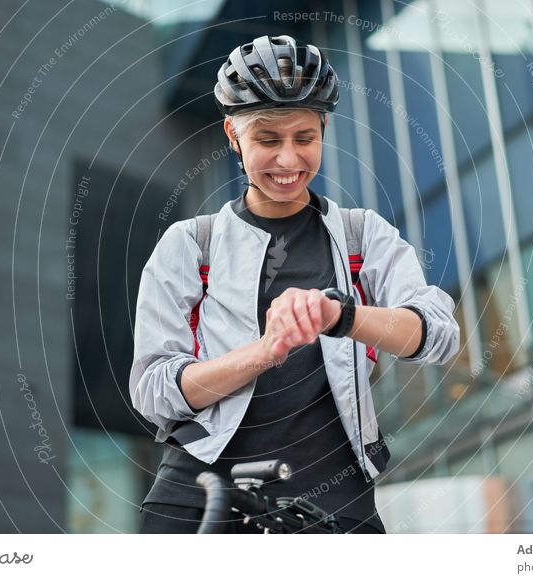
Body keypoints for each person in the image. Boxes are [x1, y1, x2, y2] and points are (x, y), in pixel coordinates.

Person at [130, 35, 459, 534]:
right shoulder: (190, 244)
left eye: (304, 138)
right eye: (267, 140)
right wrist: (264, 352)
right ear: (232, 136)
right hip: (201, 500)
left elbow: (438, 334)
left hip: (337, 502)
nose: (288, 161)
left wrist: (341, 315)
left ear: (323, 129)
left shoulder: (362, 235)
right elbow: (154, 390)